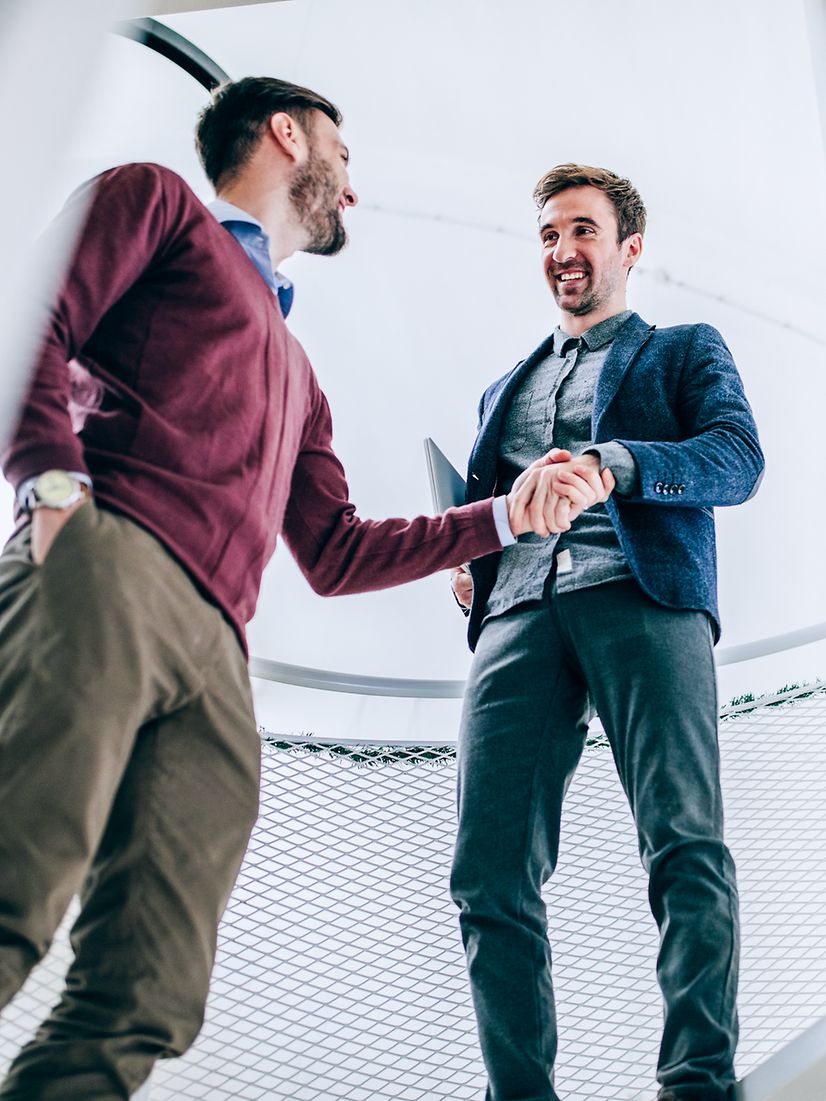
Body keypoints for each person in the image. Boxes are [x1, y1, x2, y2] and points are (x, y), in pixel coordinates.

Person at [0, 80, 602, 1100]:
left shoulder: (297, 369)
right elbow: (28, 320)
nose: (352, 192)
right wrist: (57, 502)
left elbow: (334, 550)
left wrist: (506, 517)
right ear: (288, 133)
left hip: (216, 668)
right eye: (344, 157)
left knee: (149, 989)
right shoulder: (156, 203)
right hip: (111, 567)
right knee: (17, 873)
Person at [448, 163, 764, 1101]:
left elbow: (737, 457)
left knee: (683, 839)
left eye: (581, 231)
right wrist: (471, 556)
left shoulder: (681, 350)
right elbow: (480, 509)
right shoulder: (504, 387)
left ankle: (698, 1082)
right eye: (548, 235)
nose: (562, 252)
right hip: (518, 616)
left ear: (629, 247)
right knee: (485, 871)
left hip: (642, 594)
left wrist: (612, 463)